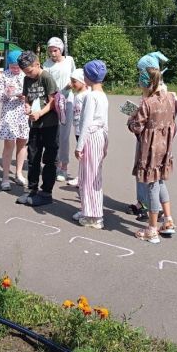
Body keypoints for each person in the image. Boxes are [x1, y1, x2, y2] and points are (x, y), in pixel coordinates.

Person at [127, 57, 177, 243]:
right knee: (161, 182)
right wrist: (174, 101)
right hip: (166, 149)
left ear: (145, 85)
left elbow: (136, 127)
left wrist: (131, 118)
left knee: (152, 186)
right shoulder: (171, 97)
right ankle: (168, 220)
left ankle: (152, 229)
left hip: (150, 150)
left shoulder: (147, 103)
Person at [126, 51, 170, 222]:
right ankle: (142, 201)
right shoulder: (150, 90)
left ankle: (153, 208)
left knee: (150, 174)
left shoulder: (160, 92)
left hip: (151, 139)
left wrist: (132, 120)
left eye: (141, 72)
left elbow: (147, 116)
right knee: (142, 171)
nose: (139, 76)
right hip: (147, 137)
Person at [16, 50, 59, 207]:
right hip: (34, 124)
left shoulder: (46, 77)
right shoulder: (27, 79)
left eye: (29, 71)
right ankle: (32, 189)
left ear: (37, 64)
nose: (28, 74)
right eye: (25, 72)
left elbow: (53, 101)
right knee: (33, 157)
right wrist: (27, 107)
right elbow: (27, 98)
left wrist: (40, 113)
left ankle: (46, 192)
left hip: (49, 124)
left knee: (49, 159)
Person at [74, 61, 109, 229]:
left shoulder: (91, 96)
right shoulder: (103, 95)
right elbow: (105, 123)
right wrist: (106, 143)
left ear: (88, 77)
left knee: (89, 178)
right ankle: (87, 210)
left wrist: (79, 146)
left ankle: (94, 216)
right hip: (100, 137)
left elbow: (86, 123)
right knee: (90, 175)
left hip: (91, 137)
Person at [0, 50, 29, 191]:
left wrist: (24, 97)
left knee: (22, 143)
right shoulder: (3, 76)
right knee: (9, 145)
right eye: (13, 66)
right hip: (9, 114)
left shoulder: (26, 75)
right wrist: (6, 94)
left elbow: (33, 94)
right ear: (8, 64)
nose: (15, 69)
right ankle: (5, 177)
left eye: (18, 66)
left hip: (23, 114)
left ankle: (18, 173)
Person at [42, 37, 76, 183]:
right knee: (52, 135)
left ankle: (64, 167)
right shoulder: (46, 64)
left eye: (55, 51)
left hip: (67, 102)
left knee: (64, 136)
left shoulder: (69, 61)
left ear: (61, 50)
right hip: (52, 102)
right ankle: (54, 164)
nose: (53, 54)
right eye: (50, 51)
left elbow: (75, 77)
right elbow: (44, 83)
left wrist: (72, 84)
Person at [66, 68, 89, 187]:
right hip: (78, 129)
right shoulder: (78, 95)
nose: (72, 84)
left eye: (74, 81)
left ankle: (82, 177)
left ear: (83, 81)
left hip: (84, 130)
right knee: (82, 155)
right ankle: (82, 176)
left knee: (83, 154)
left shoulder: (86, 95)